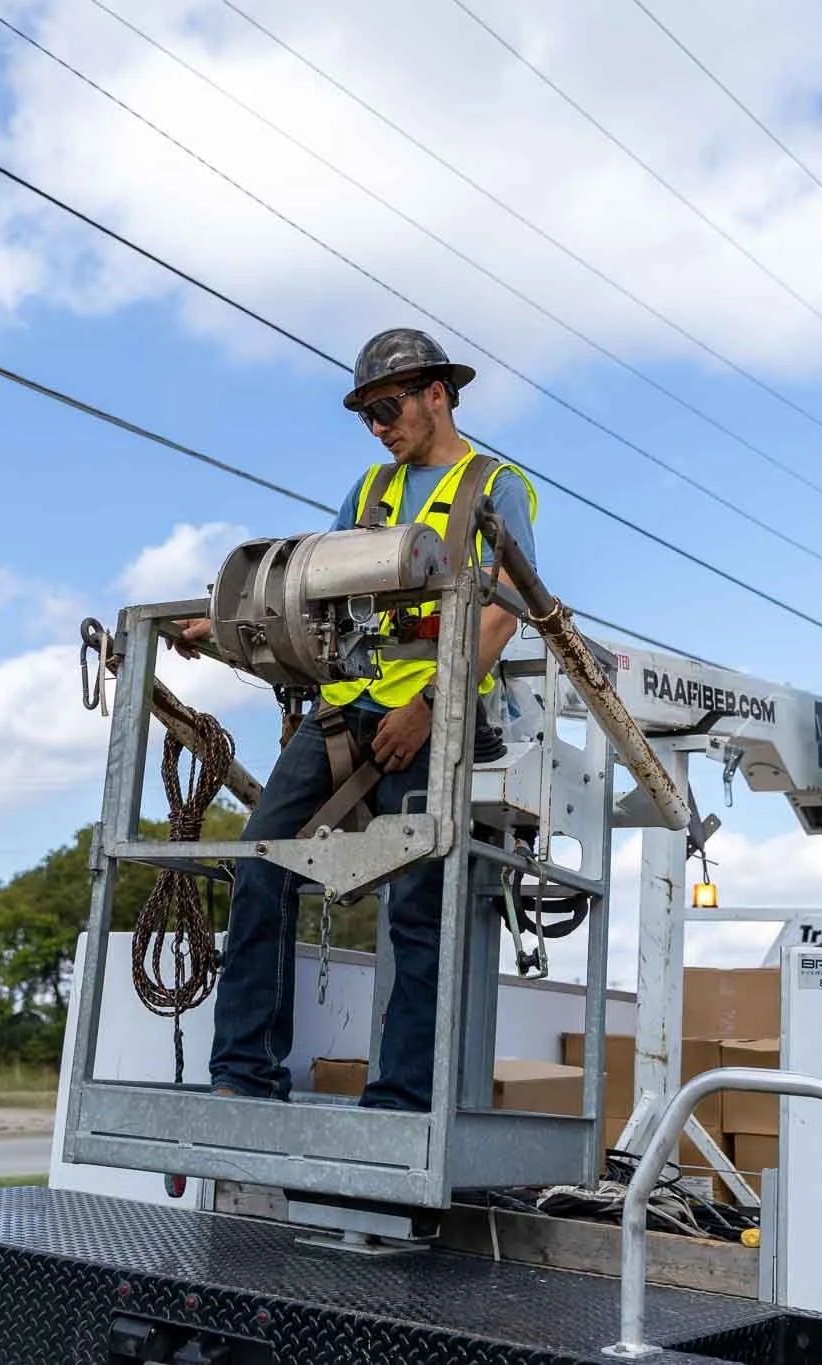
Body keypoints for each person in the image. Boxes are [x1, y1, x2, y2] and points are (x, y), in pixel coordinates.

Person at [174, 327, 537, 1112]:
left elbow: (502, 617)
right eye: (367, 414)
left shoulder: (493, 486)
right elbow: (309, 595)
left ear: (438, 392)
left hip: (432, 719)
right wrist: (221, 625)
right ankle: (243, 1073)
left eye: (390, 406)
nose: (379, 426)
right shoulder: (369, 493)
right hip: (344, 713)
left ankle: (402, 1099)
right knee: (262, 865)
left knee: (414, 906)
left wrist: (429, 705)